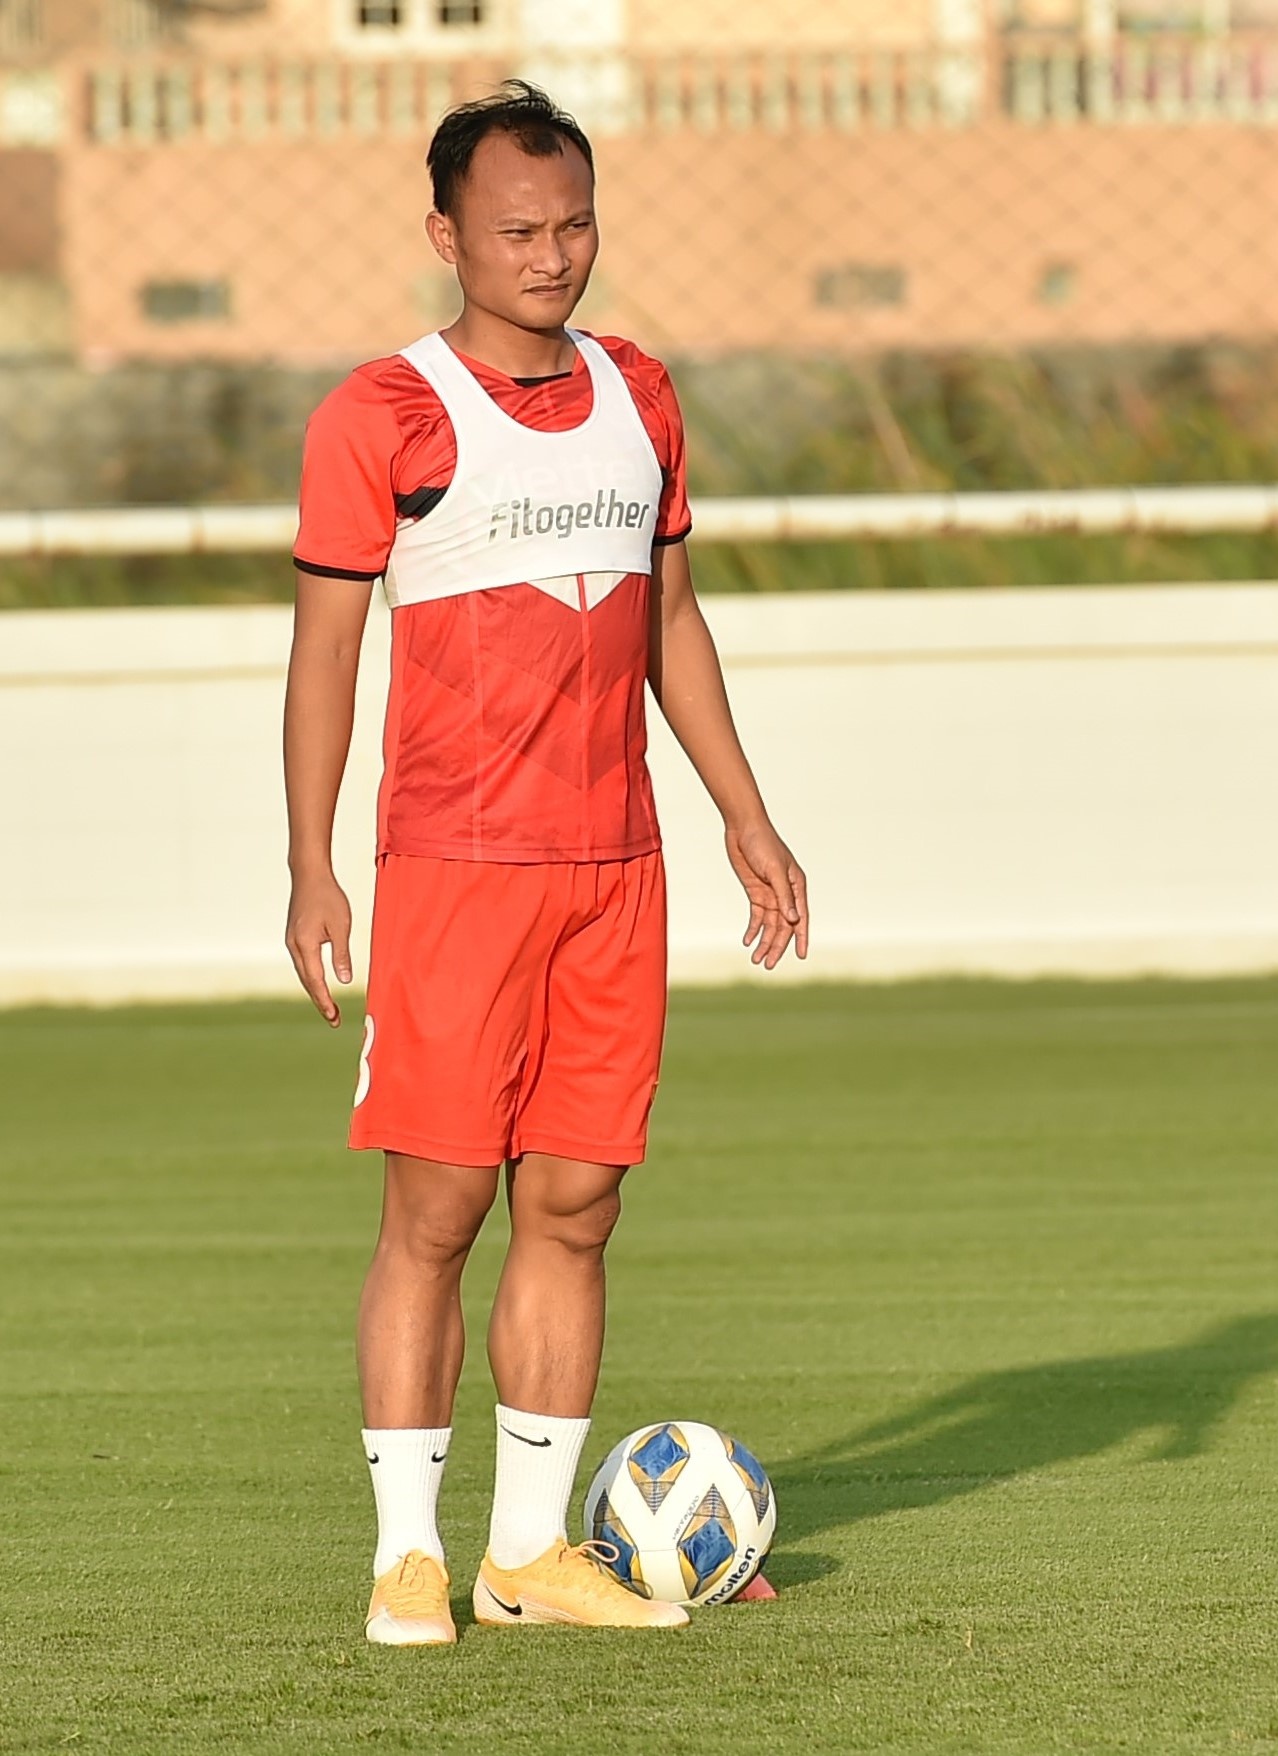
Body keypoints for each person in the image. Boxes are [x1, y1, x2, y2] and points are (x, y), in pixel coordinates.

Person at [282, 82, 812, 1646]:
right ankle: (407, 1560)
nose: (553, 254)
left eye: (575, 223)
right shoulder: (384, 414)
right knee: (438, 1212)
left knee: (575, 1206)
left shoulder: (641, 392)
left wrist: (743, 812)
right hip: (456, 872)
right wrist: (312, 864)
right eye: (518, 230)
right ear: (446, 236)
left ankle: (526, 1555)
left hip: (614, 870)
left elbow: (671, 619)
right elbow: (325, 654)